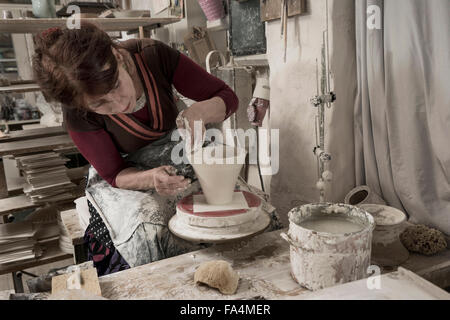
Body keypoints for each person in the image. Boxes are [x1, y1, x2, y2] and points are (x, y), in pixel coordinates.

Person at [32, 22, 281, 275]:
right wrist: (151, 178)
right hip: (129, 171)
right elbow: (115, 174)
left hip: (179, 151)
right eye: (100, 103)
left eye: (116, 85)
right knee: (150, 226)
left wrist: (199, 111)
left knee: (253, 213)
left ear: (117, 55)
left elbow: (227, 97)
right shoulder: (77, 111)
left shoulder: (153, 56)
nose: (119, 103)